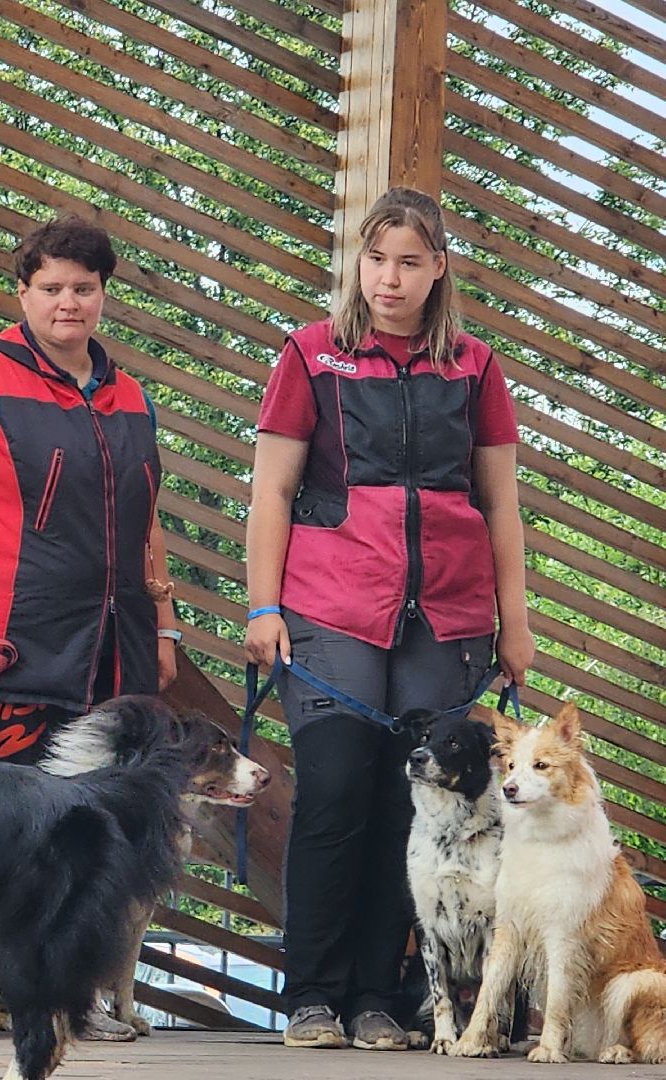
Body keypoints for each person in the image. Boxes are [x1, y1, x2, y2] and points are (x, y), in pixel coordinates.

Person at [244, 186, 533, 1051]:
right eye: (376, 260)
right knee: (335, 790)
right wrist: (264, 604)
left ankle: (378, 994)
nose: (390, 278)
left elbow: (502, 503)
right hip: (331, 606)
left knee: (416, 802)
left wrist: (512, 624)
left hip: (445, 617)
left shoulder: (475, 365)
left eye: (409, 262)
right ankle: (311, 995)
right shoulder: (310, 356)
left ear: (438, 268)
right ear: (357, 264)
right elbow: (272, 489)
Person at [0, 216, 179, 1041]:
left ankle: (74, 998)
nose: (69, 302)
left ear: (104, 295)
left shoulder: (128, 392)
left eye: (85, 288)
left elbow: (148, 523)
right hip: (8, 646)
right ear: (21, 291)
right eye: (53, 287)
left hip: (112, 649)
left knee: (90, 835)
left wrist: (164, 626)